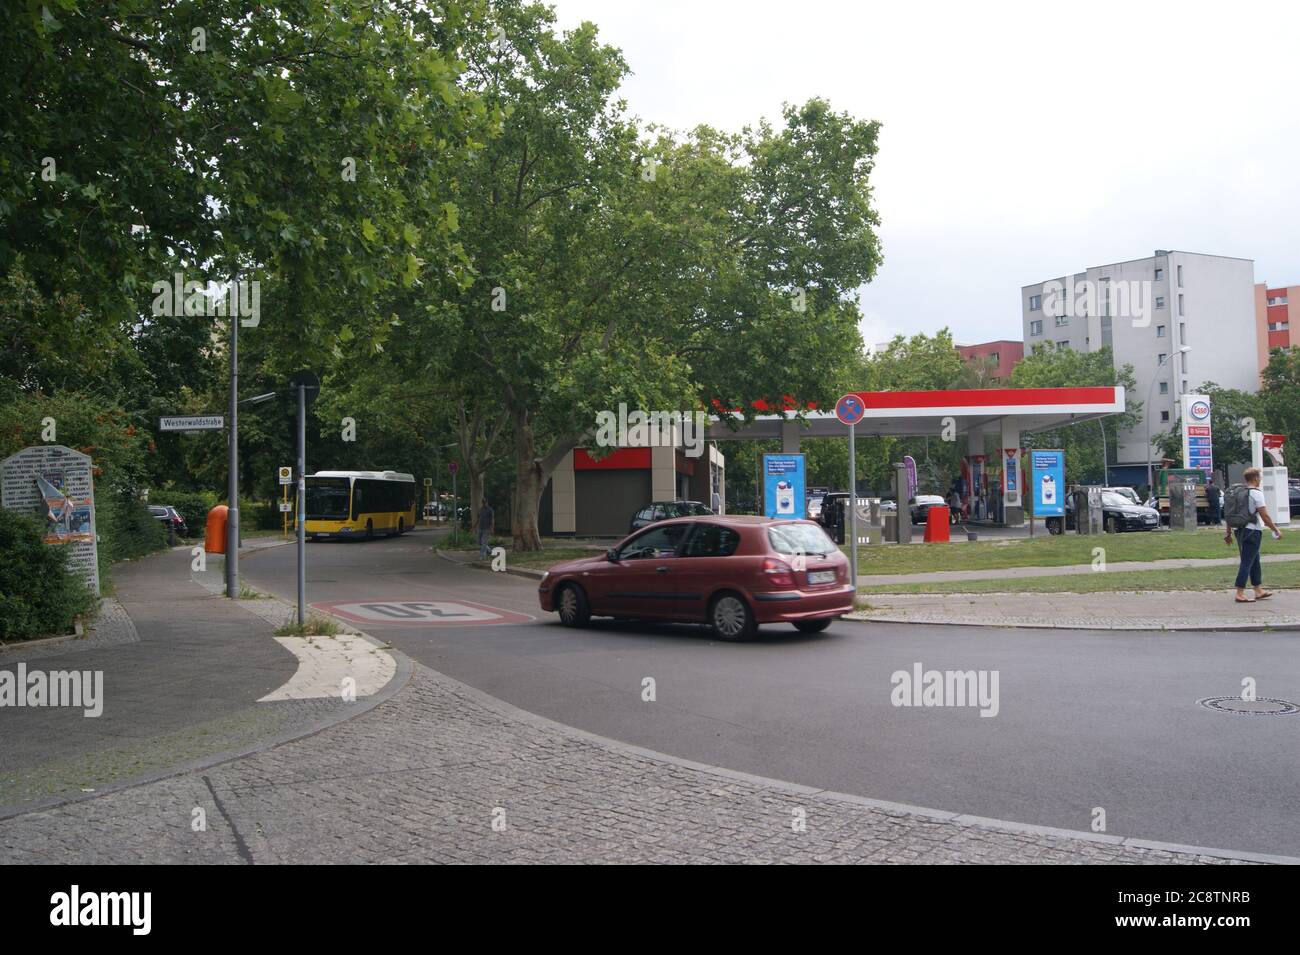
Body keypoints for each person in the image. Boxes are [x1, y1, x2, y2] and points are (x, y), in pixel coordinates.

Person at [1225, 467, 1281, 603]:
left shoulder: (1239, 493)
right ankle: (1240, 592)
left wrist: (1228, 532)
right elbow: (1265, 516)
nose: (1260, 480)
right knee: (1247, 562)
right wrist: (1275, 529)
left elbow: (1229, 514)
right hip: (1252, 531)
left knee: (1254, 560)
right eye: (1259, 478)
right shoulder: (1256, 494)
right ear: (1255, 478)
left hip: (1240, 530)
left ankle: (1258, 589)